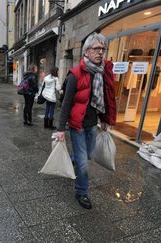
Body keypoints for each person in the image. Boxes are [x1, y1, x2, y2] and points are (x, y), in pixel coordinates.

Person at [56, 33, 116, 209]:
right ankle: (81, 192)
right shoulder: (75, 75)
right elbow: (66, 104)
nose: (100, 52)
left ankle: (72, 159)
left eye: (102, 49)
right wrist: (60, 129)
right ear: (86, 51)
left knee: (88, 155)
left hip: (92, 124)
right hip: (77, 125)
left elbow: (107, 98)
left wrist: (105, 119)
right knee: (83, 163)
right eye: (96, 49)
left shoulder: (103, 73)